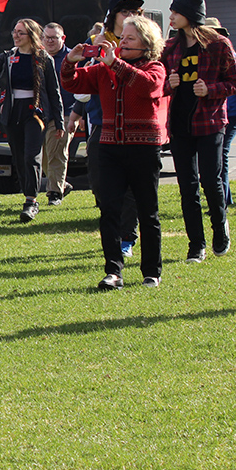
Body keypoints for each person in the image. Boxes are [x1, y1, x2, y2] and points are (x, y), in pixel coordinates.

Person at [62, 16, 168, 289]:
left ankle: (151, 271)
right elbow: (73, 83)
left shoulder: (155, 67)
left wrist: (115, 64)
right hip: (110, 148)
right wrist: (71, 61)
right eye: (122, 38)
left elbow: (147, 86)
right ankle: (114, 271)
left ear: (146, 43)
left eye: (129, 39)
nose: (122, 43)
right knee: (109, 210)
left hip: (144, 148)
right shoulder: (104, 69)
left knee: (148, 211)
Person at [161, 0, 236, 262]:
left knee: (210, 180)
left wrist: (211, 89)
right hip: (180, 126)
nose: (170, 16)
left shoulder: (218, 44)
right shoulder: (170, 47)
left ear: (189, 15)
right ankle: (196, 244)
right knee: (187, 186)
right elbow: (157, 84)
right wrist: (167, 85)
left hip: (210, 123)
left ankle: (220, 229)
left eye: (175, 12)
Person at [70, 0, 144, 258]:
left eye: (136, 12)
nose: (131, 17)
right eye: (125, 12)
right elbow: (80, 87)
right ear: (112, 17)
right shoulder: (96, 43)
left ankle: (126, 236)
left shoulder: (141, 45)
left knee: (131, 186)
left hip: (133, 123)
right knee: (100, 182)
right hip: (102, 121)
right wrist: (90, 55)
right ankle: (113, 226)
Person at [0, 19, 64, 221]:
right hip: (12, 112)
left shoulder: (43, 58)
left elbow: (54, 92)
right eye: (14, 32)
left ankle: (31, 201)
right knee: (18, 158)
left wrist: (59, 122)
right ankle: (30, 191)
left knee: (31, 156)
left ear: (32, 36)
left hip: (35, 113)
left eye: (21, 33)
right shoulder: (9, 57)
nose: (16, 36)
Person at [204, 19, 236, 207]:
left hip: (232, 114)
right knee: (213, 158)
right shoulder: (202, 57)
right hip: (211, 114)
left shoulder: (233, 59)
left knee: (221, 154)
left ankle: (224, 200)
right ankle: (220, 198)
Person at [41, 23, 77, 205]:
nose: (49, 41)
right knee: (43, 156)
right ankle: (62, 185)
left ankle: (55, 194)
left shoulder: (71, 58)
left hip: (66, 113)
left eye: (54, 38)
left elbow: (81, 88)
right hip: (42, 115)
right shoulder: (38, 58)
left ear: (63, 39)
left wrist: (78, 114)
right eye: (46, 37)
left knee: (56, 152)